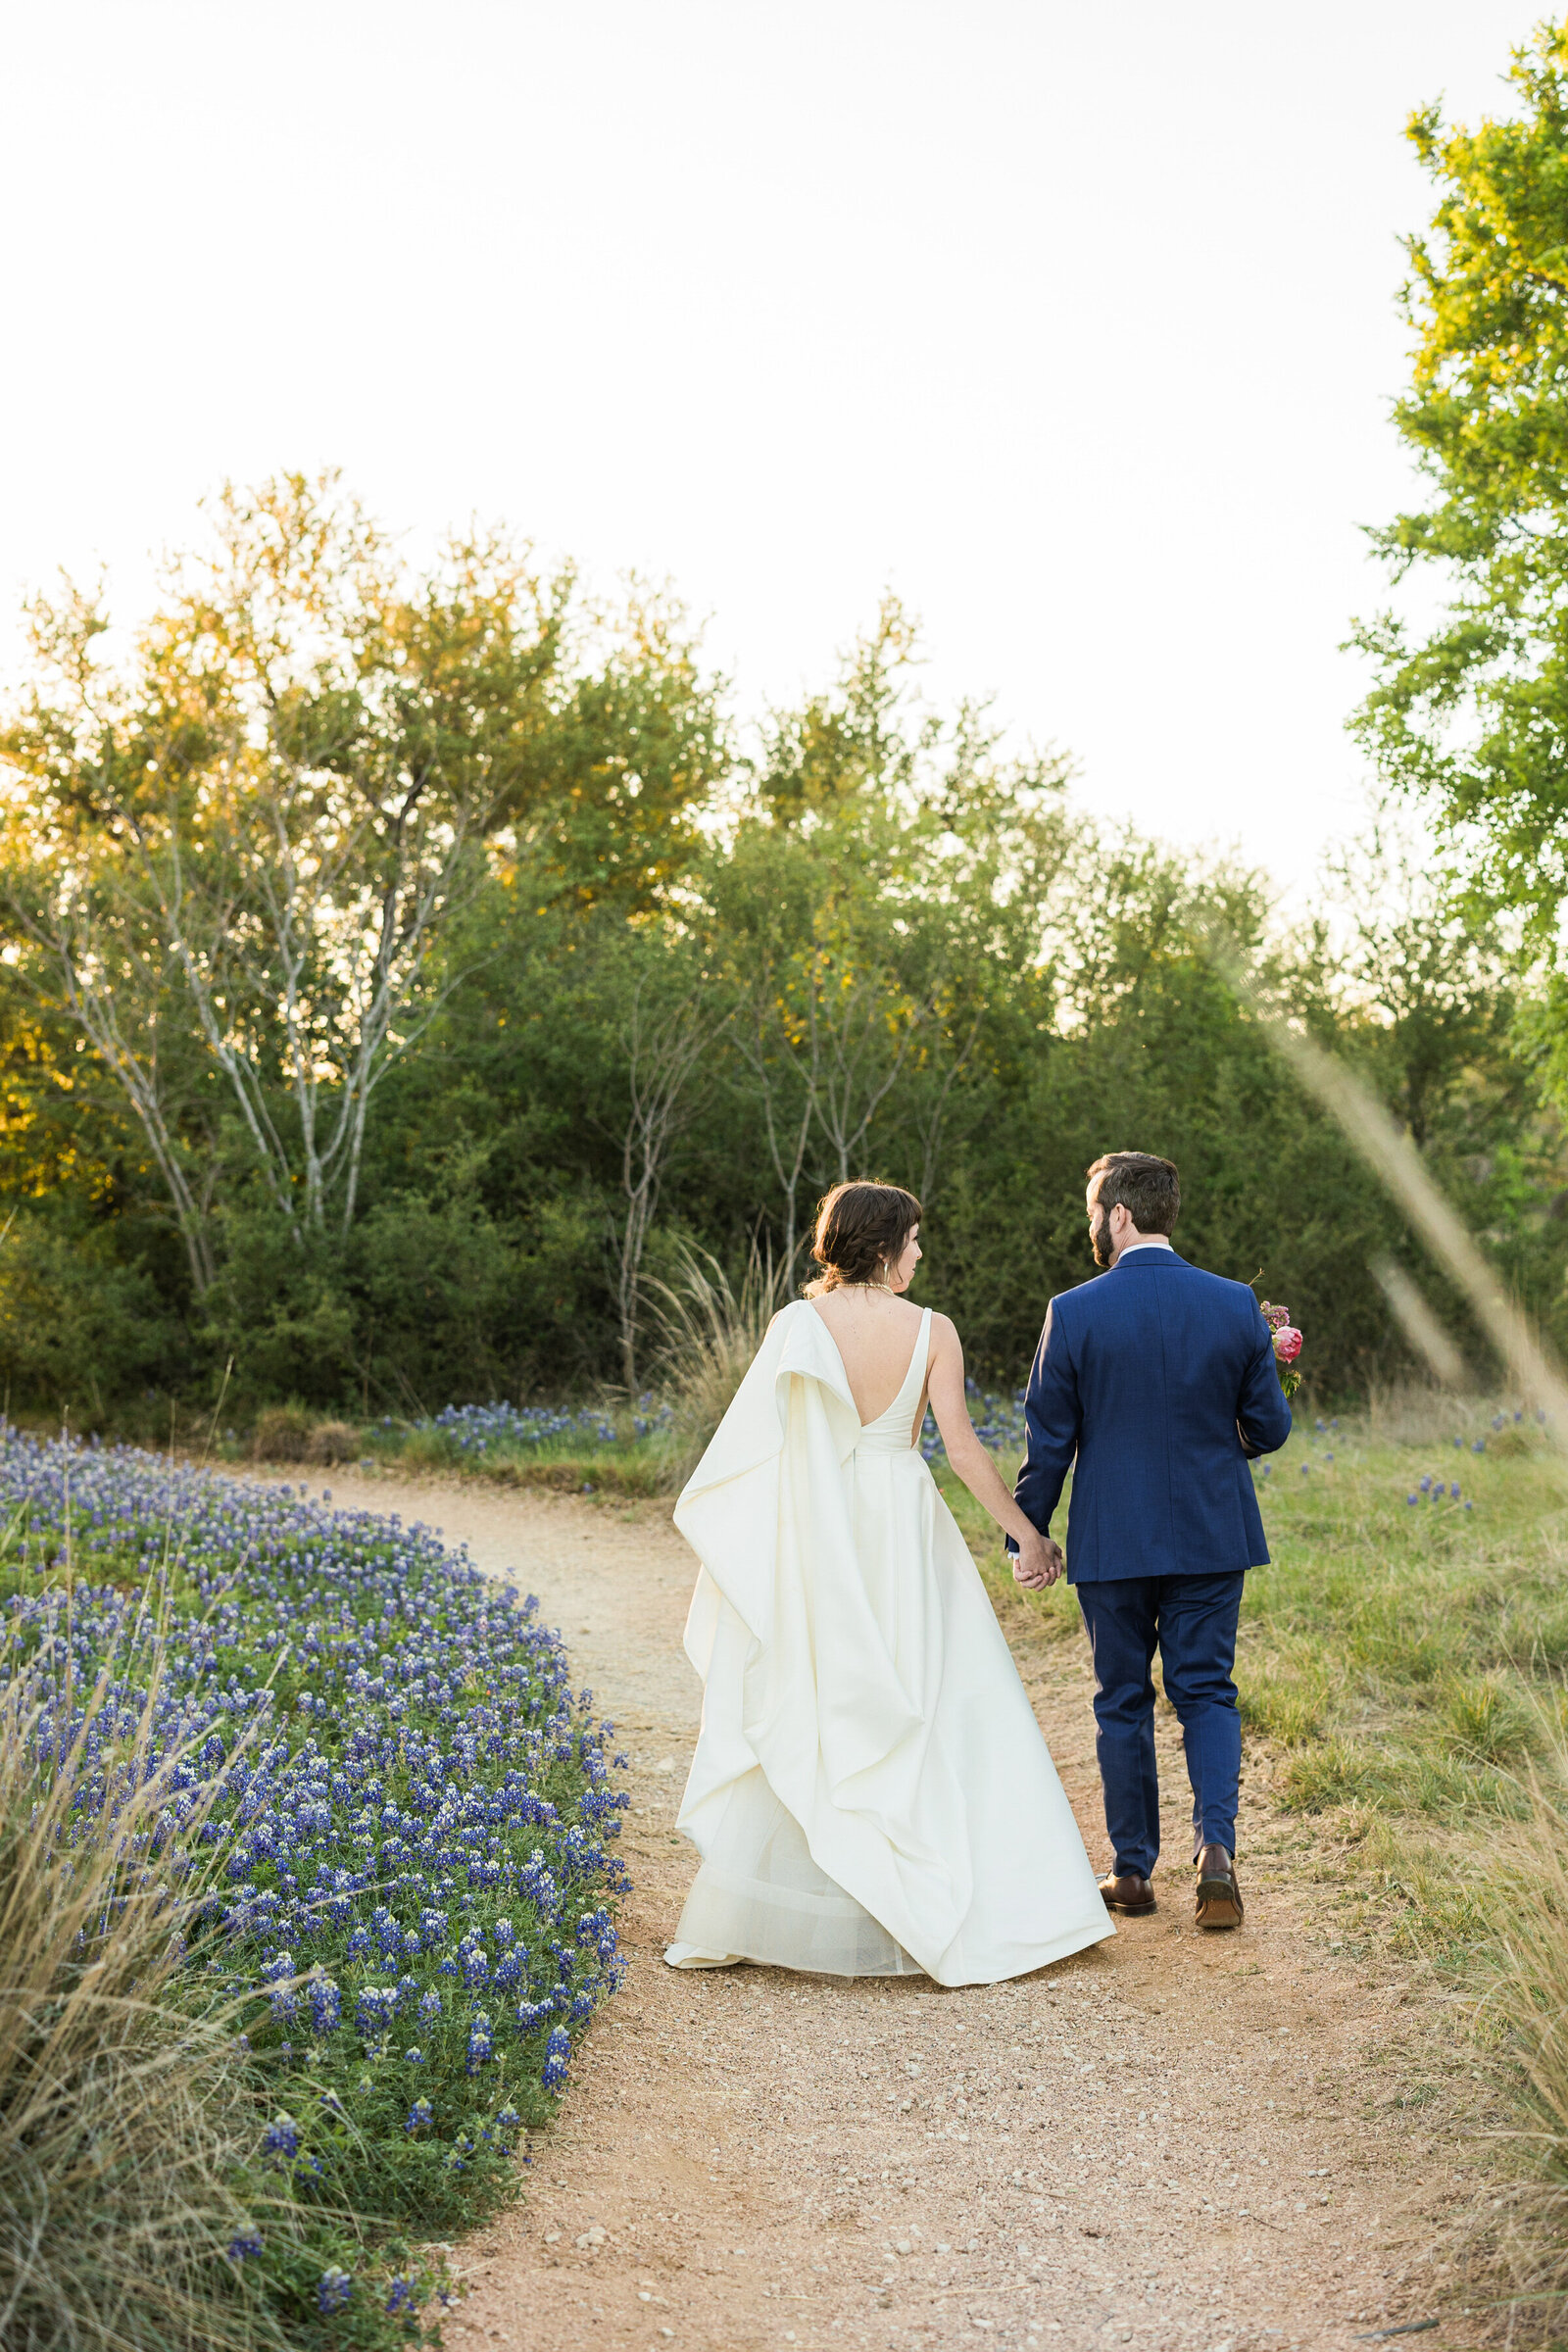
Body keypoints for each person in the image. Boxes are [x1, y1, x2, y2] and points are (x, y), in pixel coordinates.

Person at [664, 1179, 1113, 1984]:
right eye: (911, 1239)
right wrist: (1030, 1537)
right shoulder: (933, 1330)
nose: (918, 1252)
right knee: (931, 1697)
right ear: (881, 1245)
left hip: (822, 1527)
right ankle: (964, 1901)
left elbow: (759, 1446)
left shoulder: (795, 1326)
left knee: (821, 1696)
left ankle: (787, 1905)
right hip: (901, 1522)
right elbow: (964, 1453)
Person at [1010, 1151, 1294, 1930]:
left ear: (1122, 1216)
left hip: (1112, 1540)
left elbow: (1049, 1443)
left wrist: (1027, 1535)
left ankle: (1132, 1873)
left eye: (1094, 1209)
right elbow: (1269, 1426)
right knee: (1206, 1691)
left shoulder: (1072, 1310)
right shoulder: (1235, 1304)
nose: (1090, 1225)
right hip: (1212, 1532)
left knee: (1122, 1700)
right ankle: (1217, 1855)